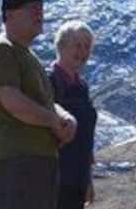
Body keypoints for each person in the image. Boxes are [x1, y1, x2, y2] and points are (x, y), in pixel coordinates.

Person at [0, 0, 76, 208]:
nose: (39, 14)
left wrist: (66, 118)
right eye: (32, 9)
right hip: (16, 160)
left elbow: (43, 102)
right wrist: (53, 121)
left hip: (36, 159)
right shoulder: (2, 49)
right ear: (9, 15)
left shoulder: (27, 55)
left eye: (41, 9)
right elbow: (12, 101)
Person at [49, 21, 100, 208]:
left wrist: (87, 179)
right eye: (77, 45)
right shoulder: (49, 81)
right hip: (54, 178)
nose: (83, 52)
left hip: (77, 178)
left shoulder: (82, 87)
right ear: (61, 46)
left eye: (87, 47)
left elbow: (85, 137)